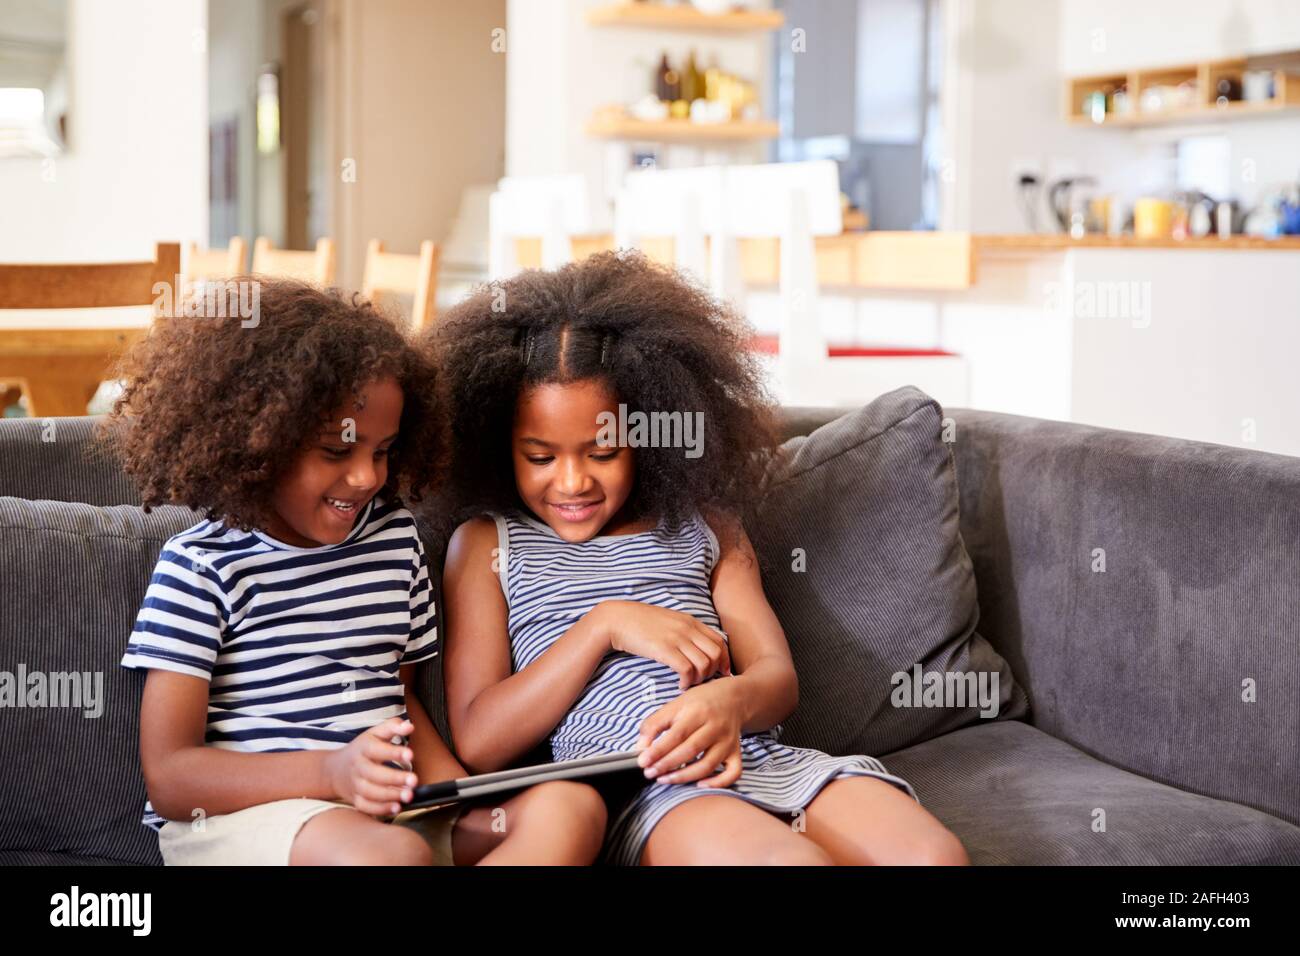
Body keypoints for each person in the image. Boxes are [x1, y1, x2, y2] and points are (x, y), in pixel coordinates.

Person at [430, 252, 970, 866]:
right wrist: (604, 625)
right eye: (540, 456)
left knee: (934, 858)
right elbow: (479, 740)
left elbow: (776, 678)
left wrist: (730, 702)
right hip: (649, 787)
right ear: (501, 447)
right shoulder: (488, 545)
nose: (572, 481)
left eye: (602, 452)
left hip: (766, 758)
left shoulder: (706, 527)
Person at [105, 278, 606, 865]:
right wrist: (333, 774)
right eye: (337, 451)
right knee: (390, 856)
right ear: (258, 441)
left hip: (384, 814)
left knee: (570, 807)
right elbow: (171, 778)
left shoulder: (393, 539)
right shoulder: (201, 568)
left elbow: (396, 702)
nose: (368, 477)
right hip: (254, 820)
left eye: (382, 450)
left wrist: (454, 796)